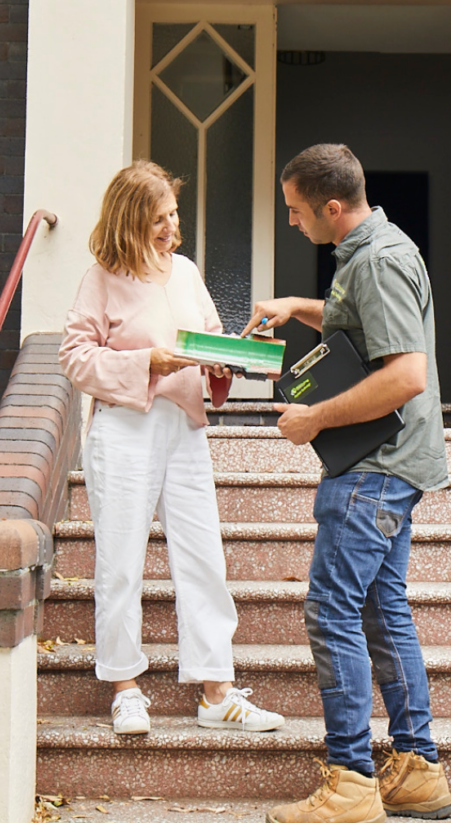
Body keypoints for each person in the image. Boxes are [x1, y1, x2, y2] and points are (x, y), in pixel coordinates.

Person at [248, 145, 451, 823]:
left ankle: (351, 782)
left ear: (332, 207)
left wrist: (315, 418)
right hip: (388, 465)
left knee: (331, 611)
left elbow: (405, 376)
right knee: (380, 610)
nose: (292, 221)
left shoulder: (381, 261)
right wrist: (297, 307)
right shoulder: (371, 255)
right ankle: (417, 770)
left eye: (296, 210)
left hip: (374, 469)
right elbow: (360, 322)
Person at [59, 160, 285, 736]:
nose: (170, 228)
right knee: (120, 559)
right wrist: (143, 362)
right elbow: (75, 357)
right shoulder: (102, 277)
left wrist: (232, 354)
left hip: (183, 427)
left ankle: (217, 691)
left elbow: (208, 343)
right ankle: (125, 687)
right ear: (130, 219)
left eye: (174, 215)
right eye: (158, 219)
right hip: (125, 427)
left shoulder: (184, 272)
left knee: (203, 556)